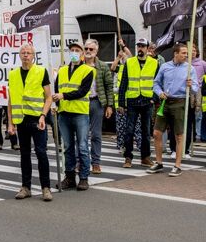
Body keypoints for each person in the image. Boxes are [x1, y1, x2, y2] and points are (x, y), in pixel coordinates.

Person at [7, 43, 54, 201]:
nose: (26, 55)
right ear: (19, 55)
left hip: (37, 118)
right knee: (24, 154)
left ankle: (45, 188)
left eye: (28, 53)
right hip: (20, 120)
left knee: (41, 153)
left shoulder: (41, 71)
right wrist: (10, 123)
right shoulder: (13, 74)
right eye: (23, 52)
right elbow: (11, 100)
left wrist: (43, 115)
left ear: (34, 56)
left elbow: (48, 98)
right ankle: (25, 187)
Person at [149, 43, 199, 177]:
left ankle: (177, 165)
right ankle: (159, 163)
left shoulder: (190, 69)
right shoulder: (165, 67)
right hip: (165, 101)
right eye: (183, 53)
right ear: (175, 54)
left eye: (187, 53)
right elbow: (156, 83)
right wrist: (159, 92)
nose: (186, 55)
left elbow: (195, 89)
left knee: (179, 135)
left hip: (180, 101)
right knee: (156, 133)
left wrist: (191, 85)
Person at [56, 42, 95, 190]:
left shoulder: (88, 70)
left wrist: (63, 96)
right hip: (64, 113)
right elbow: (56, 88)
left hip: (80, 113)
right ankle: (70, 177)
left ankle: (84, 178)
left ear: (82, 54)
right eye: (71, 50)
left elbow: (82, 92)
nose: (74, 52)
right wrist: (57, 105)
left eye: (77, 50)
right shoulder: (62, 70)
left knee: (83, 146)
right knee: (67, 147)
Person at [117, 38, 158, 168]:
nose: (140, 49)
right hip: (133, 100)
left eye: (142, 46)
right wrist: (121, 104)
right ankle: (128, 157)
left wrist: (155, 98)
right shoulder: (129, 62)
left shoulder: (154, 63)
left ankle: (145, 157)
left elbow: (158, 82)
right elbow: (123, 84)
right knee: (129, 130)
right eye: (138, 46)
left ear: (147, 48)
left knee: (146, 131)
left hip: (147, 100)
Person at [82, 39, 113, 175]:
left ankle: (96, 163)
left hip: (96, 102)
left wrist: (109, 105)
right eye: (86, 49)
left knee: (96, 134)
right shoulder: (77, 65)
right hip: (80, 103)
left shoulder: (102, 66)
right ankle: (81, 162)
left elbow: (109, 86)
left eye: (91, 49)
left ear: (96, 51)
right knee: (81, 135)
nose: (88, 51)